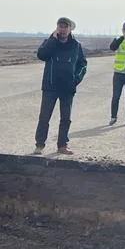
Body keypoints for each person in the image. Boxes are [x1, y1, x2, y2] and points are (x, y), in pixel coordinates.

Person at [34, 17, 87, 155]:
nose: (62, 29)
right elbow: (42, 55)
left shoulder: (76, 45)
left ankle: (62, 145)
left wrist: (76, 80)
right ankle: (39, 145)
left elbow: (82, 64)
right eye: (60, 26)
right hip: (50, 86)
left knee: (65, 118)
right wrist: (52, 39)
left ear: (70, 29)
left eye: (65, 27)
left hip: (67, 88)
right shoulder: (49, 42)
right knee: (44, 117)